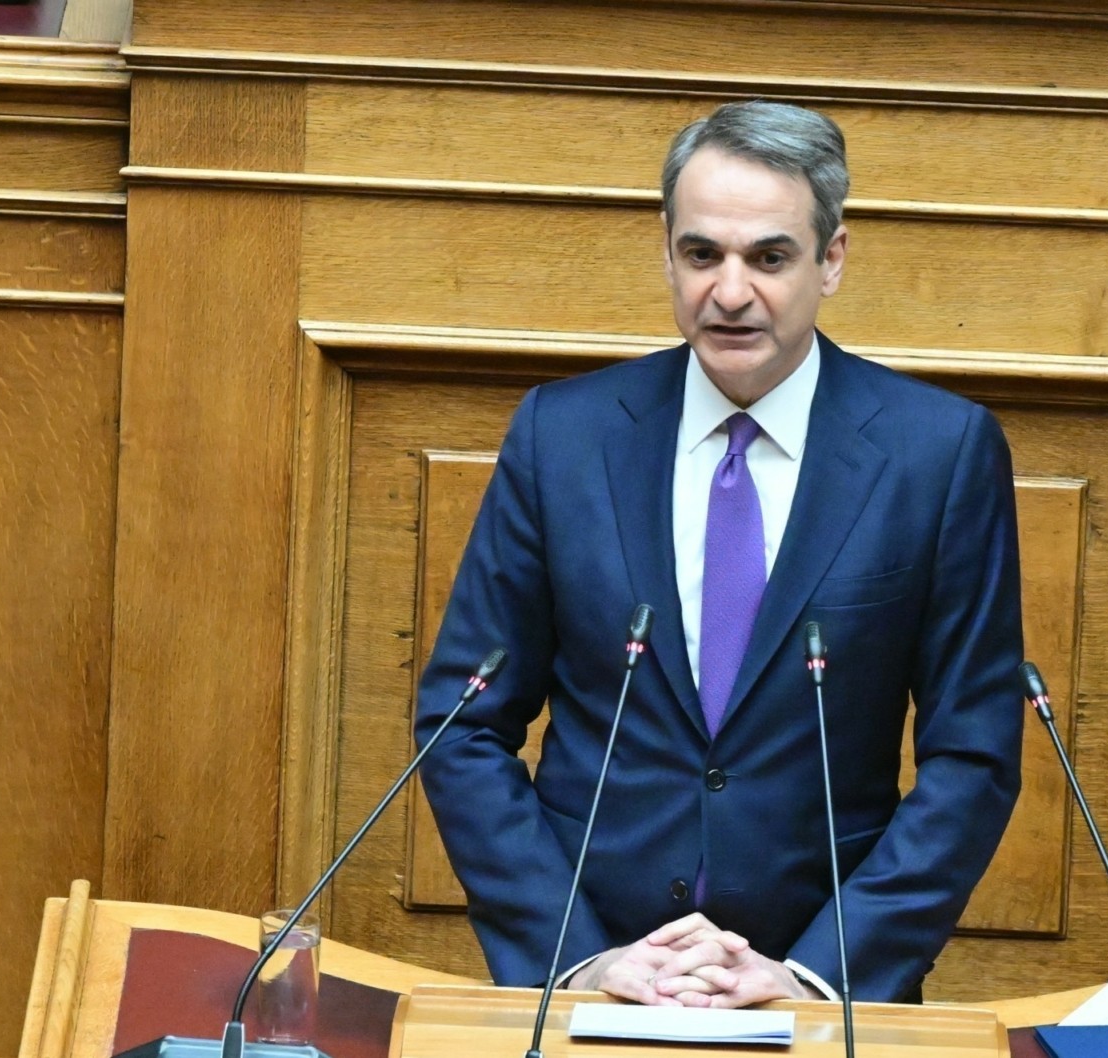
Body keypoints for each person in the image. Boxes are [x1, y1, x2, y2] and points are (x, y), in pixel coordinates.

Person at [414, 99, 1023, 1008]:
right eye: (702, 254)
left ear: (831, 259)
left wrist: (820, 972)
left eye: (769, 258)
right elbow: (463, 722)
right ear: (667, 254)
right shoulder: (564, 437)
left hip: (816, 992)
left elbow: (973, 753)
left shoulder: (937, 454)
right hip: (594, 983)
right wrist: (578, 958)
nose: (730, 293)